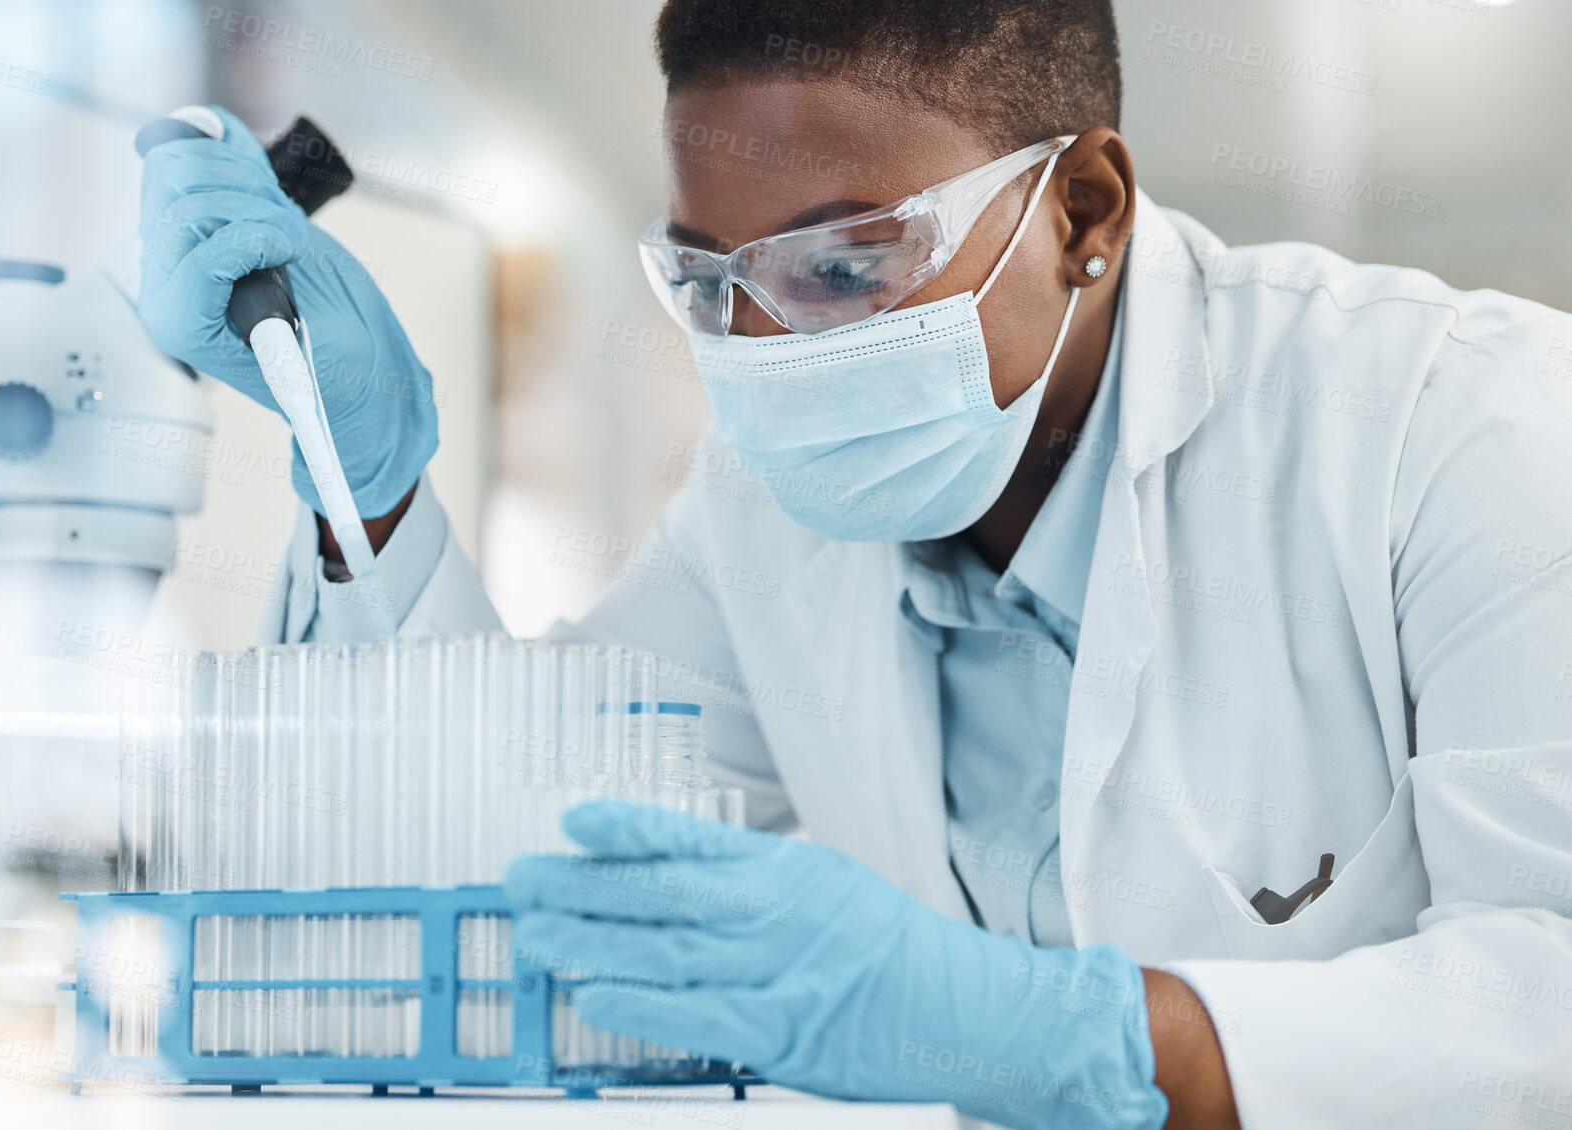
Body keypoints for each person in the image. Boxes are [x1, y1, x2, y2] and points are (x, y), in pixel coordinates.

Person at [135, 2, 1572, 1126]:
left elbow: (1545, 1002)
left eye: (845, 265)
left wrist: (1063, 1035)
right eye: (712, 280)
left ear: (1084, 212)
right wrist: (362, 487)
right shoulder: (759, 508)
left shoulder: (1456, 421)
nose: (766, 356)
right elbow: (541, 839)